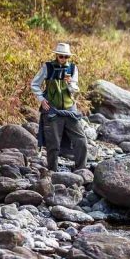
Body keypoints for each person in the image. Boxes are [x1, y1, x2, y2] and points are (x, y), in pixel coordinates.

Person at [30, 43, 88, 171]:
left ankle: (81, 170)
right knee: (53, 145)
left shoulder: (73, 68)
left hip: (69, 110)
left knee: (81, 140)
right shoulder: (47, 67)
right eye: (61, 56)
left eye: (66, 57)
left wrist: (69, 84)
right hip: (52, 110)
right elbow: (34, 84)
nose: (64, 59)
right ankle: (53, 172)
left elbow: (75, 89)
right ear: (56, 55)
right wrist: (42, 99)